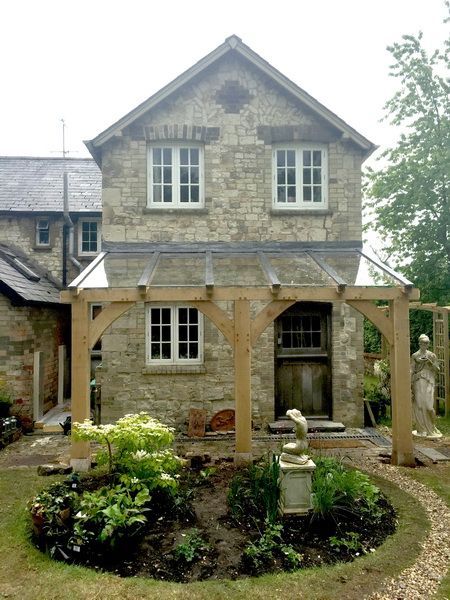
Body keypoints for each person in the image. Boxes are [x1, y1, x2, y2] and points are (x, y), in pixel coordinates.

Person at [410, 334, 442, 438]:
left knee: (429, 407)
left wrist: (430, 363)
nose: (425, 345)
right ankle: (421, 430)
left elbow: (437, 369)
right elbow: (411, 369)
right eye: (423, 343)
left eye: (427, 343)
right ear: (419, 343)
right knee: (419, 405)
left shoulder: (432, 355)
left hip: (429, 381)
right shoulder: (415, 355)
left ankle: (432, 427)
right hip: (418, 380)